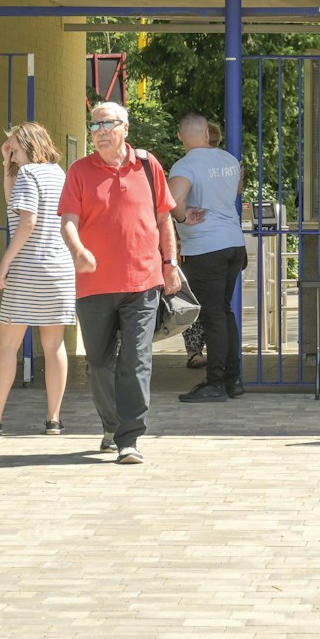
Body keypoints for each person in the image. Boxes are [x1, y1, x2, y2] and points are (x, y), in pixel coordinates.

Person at [57, 101, 181, 464]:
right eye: (94, 126)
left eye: (107, 124)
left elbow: (163, 219)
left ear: (125, 128)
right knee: (98, 363)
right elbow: (67, 219)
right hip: (94, 284)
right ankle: (111, 425)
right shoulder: (79, 171)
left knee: (136, 359)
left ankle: (130, 437)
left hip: (143, 280)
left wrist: (170, 262)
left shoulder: (147, 165)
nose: (100, 132)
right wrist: (77, 249)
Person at [0, 123, 74, 436]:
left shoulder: (29, 175)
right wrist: (6, 165)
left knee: (8, 345)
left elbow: (25, 221)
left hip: (29, 268)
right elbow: (12, 204)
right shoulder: (58, 173)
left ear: (28, 145)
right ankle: (54, 419)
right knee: (54, 344)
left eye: (13, 147)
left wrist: (5, 262)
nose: (11, 152)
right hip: (59, 269)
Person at [166, 113, 248, 403]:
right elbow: (237, 190)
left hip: (204, 248)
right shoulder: (227, 159)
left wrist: (182, 216)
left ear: (180, 136)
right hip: (234, 245)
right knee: (224, 312)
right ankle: (233, 380)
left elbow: (173, 201)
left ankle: (215, 383)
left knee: (212, 315)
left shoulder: (186, 164)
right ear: (206, 133)